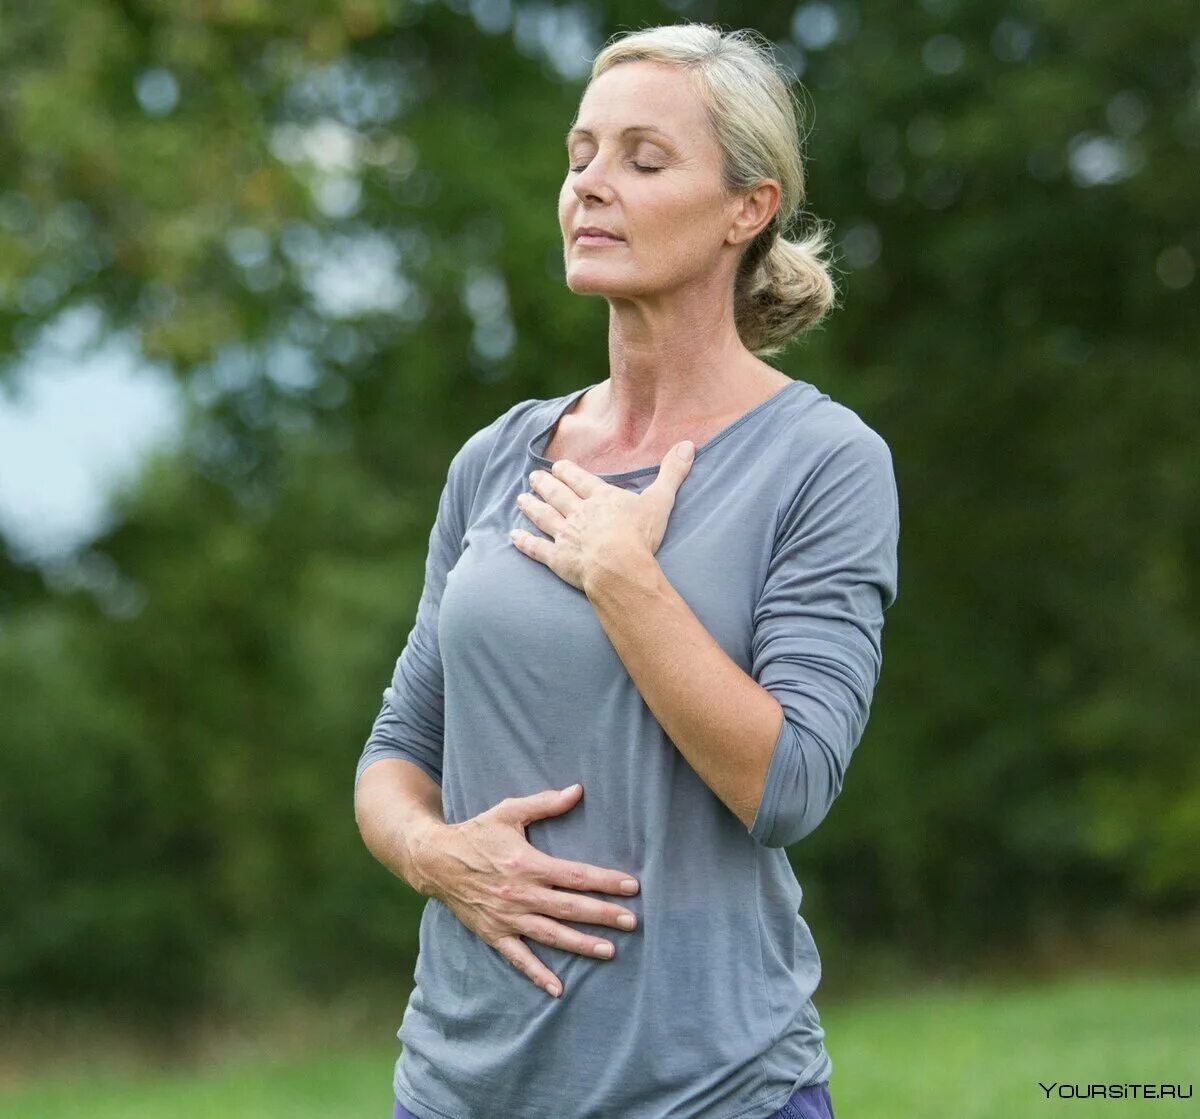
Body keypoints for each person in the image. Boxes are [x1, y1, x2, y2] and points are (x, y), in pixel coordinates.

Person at [354, 22, 899, 1119]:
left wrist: (625, 578)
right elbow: (398, 750)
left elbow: (789, 785)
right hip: (455, 1091)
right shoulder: (498, 457)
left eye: (642, 161)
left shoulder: (825, 462)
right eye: (580, 156)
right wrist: (435, 853)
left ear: (747, 208)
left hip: (713, 1092)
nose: (590, 187)